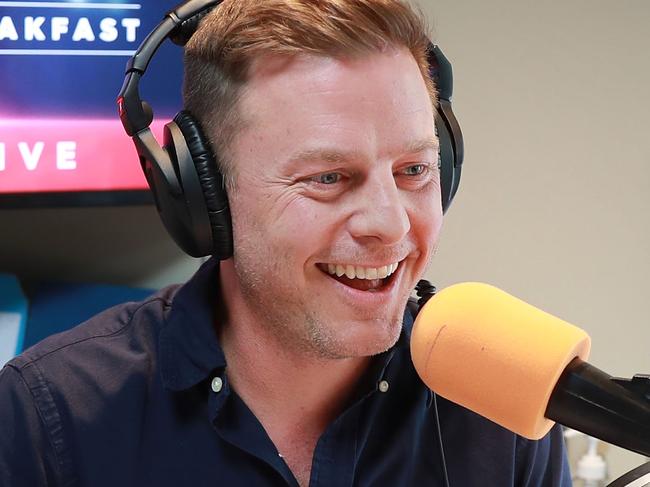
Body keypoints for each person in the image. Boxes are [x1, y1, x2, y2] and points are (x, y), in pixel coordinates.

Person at [0, 1, 572, 485]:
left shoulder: (500, 408)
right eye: (327, 178)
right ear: (205, 195)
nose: (391, 225)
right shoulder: (50, 417)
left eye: (415, 169)